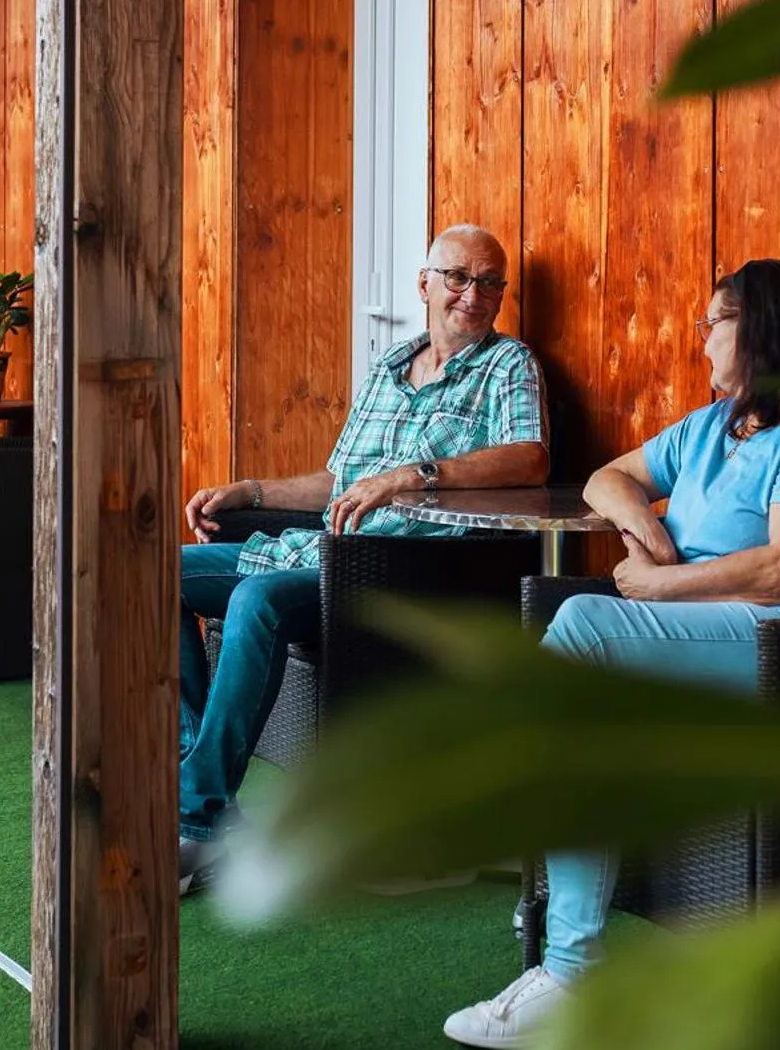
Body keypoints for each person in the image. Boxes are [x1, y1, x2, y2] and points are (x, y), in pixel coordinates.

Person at [442, 258, 780, 1050]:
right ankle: (567, 966)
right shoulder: (716, 424)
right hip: (719, 631)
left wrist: (659, 585)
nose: (702, 341)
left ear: (756, 328)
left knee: (583, 625)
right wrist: (643, 533)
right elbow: (607, 477)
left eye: (710, 323)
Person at [177, 224, 549, 892]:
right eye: (459, 277)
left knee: (254, 600)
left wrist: (416, 474)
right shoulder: (386, 367)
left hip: (403, 569)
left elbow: (529, 456)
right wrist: (254, 489)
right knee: (153, 573)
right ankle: (201, 788)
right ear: (424, 284)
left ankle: (194, 821)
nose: (474, 293)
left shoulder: (507, 364)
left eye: (490, 282)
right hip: (317, 549)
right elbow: (338, 478)